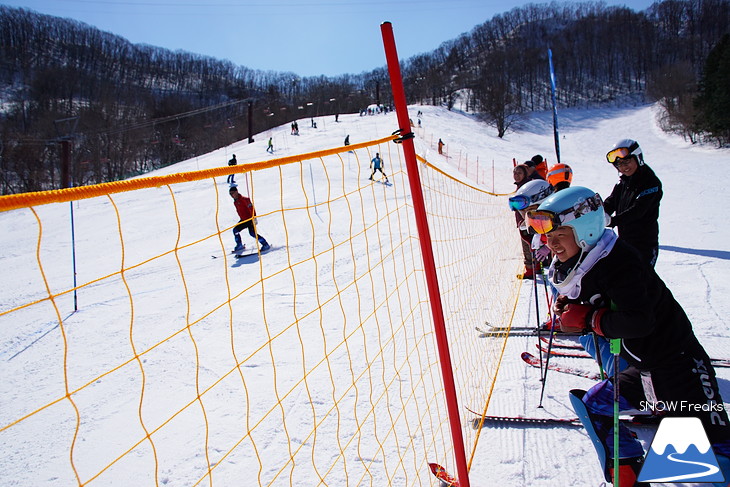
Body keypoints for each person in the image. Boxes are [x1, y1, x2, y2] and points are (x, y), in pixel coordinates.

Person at [525, 186, 730, 486]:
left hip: (680, 370)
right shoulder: (589, 258)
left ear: (585, 230)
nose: (552, 243)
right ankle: (627, 473)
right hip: (645, 371)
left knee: (715, 461)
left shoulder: (620, 262)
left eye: (560, 235)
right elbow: (597, 297)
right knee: (594, 406)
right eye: (549, 237)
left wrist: (590, 319)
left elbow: (639, 321)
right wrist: (574, 307)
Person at [603, 139, 662, 267]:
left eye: (627, 162)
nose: (624, 167)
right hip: (625, 242)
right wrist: (599, 212)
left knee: (644, 281)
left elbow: (638, 211)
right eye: (619, 164)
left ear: (638, 158)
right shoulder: (624, 182)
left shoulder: (650, 183)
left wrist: (612, 221)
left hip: (645, 244)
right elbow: (611, 200)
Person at [508, 179, 554, 279]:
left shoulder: (557, 221)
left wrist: (549, 246)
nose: (528, 218)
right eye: (523, 213)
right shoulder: (537, 227)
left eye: (529, 211)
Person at [229, 185, 270, 254]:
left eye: (232, 193)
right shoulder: (235, 201)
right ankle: (239, 245)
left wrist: (254, 218)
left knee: (252, 233)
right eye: (230, 194)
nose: (231, 195)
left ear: (236, 192)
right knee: (235, 230)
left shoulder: (245, 199)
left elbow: (252, 209)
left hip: (250, 219)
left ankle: (265, 244)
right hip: (244, 220)